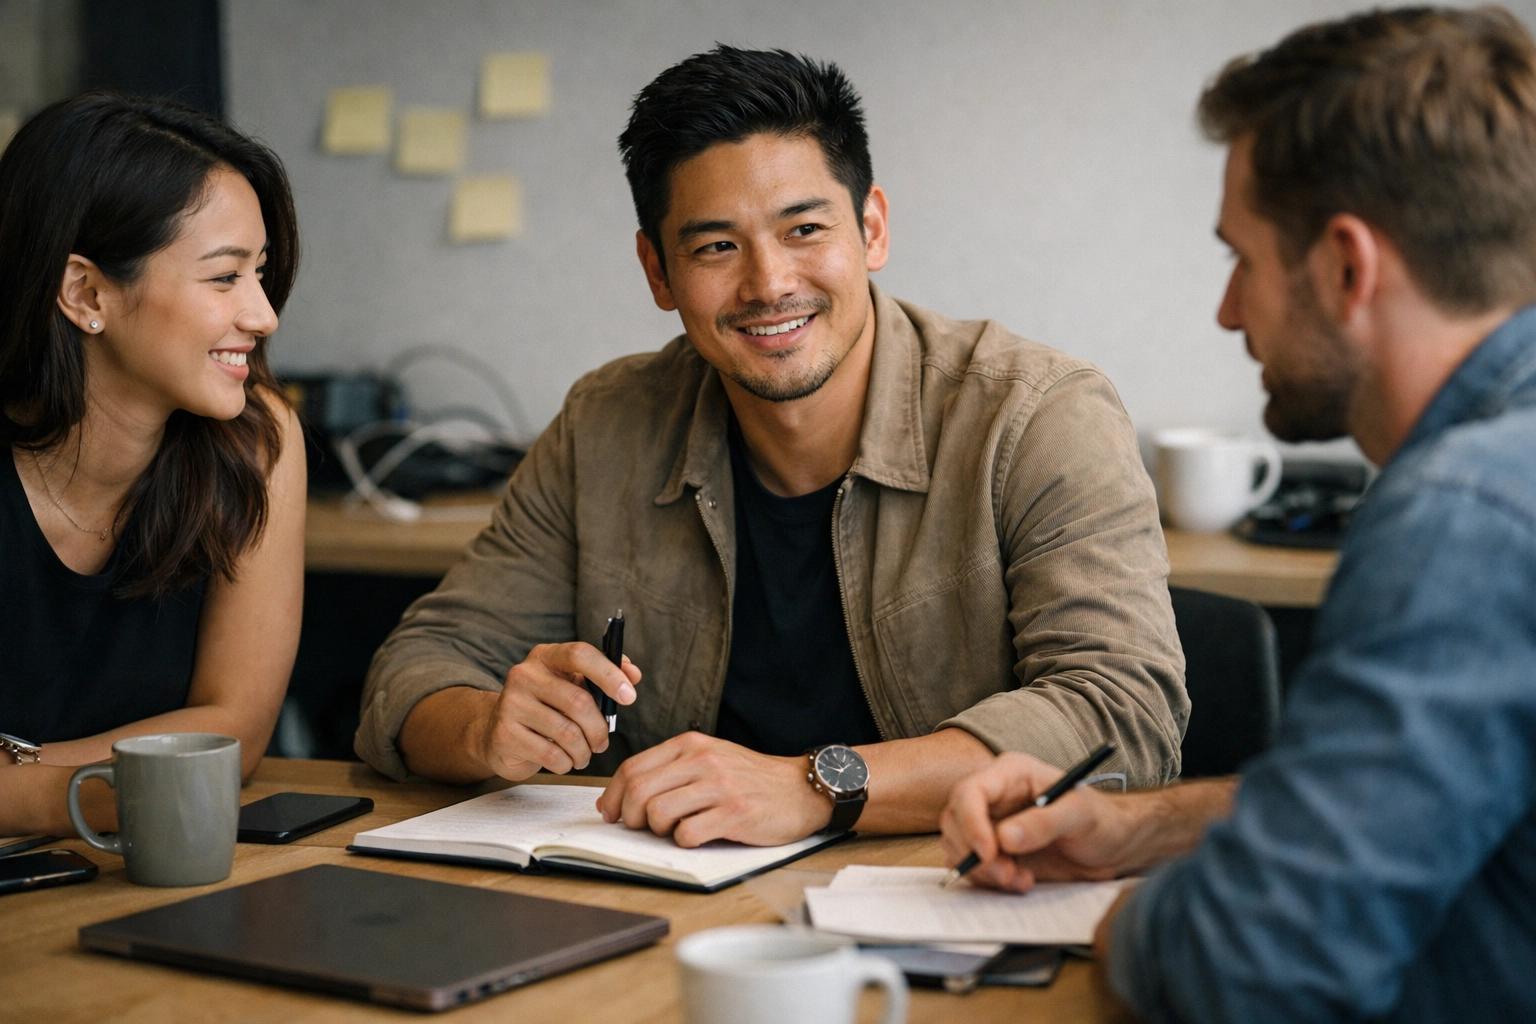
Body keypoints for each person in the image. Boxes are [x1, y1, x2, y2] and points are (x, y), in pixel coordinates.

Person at [357, 46, 1187, 847]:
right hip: (670, 905)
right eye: (716, 247)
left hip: (950, 889)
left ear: (872, 229)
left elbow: (1122, 714)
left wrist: (813, 786)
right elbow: (421, 665)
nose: (768, 284)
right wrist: (485, 728)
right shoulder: (605, 424)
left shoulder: (1037, 415)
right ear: (657, 272)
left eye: (803, 230)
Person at [939, 7, 1536, 1021]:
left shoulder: (1464, 518)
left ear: (1348, 267)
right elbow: (1421, 810)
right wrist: (1146, 827)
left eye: (1241, 258)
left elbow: (1246, 966)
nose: (1228, 310)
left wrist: (1131, 920)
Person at [0, 93, 306, 838]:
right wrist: (97, 792)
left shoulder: (258, 441)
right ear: (86, 292)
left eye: (260, 274)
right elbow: (194, 760)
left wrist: (22, 784)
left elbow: (233, 730)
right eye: (225, 277)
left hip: (139, 870)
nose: (263, 316)